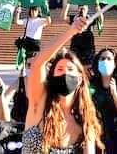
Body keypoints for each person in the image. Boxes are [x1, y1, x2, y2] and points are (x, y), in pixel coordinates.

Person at [23, 15, 103, 154]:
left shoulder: (85, 120)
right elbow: (37, 64)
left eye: (71, 69)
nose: (65, 73)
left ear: (79, 79)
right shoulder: (39, 103)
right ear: (52, 76)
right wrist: (71, 31)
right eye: (60, 69)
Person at [90, 47, 117, 151]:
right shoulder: (91, 83)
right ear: (97, 62)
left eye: (109, 59)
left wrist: (114, 94)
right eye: (102, 58)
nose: (105, 61)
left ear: (115, 64)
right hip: (95, 130)